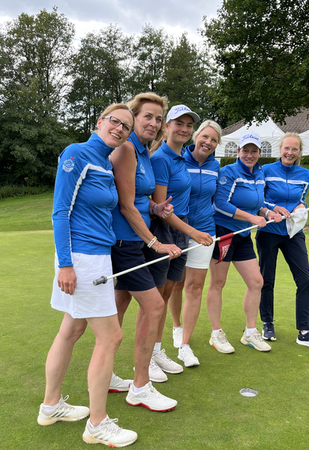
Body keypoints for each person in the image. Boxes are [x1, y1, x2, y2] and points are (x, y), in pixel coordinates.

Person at [37, 103, 137, 448]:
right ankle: (97, 424)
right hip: (81, 260)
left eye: (126, 126)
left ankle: (51, 406)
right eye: (115, 121)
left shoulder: (105, 164)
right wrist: (65, 264)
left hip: (96, 257)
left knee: (72, 328)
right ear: (99, 122)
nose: (120, 129)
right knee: (110, 338)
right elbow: (60, 211)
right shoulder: (77, 153)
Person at [109, 92, 180, 412]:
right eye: (147, 116)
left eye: (158, 118)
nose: (153, 123)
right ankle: (140, 386)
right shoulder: (125, 149)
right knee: (153, 307)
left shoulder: (145, 154)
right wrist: (156, 242)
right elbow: (125, 205)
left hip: (134, 241)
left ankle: (108, 375)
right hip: (125, 243)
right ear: (133, 117)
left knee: (119, 308)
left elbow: (137, 198)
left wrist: (156, 206)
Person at [145, 105, 214, 374]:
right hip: (167, 232)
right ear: (167, 126)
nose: (184, 129)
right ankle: (148, 356)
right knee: (156, 300)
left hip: (181, 231)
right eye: (178, 123)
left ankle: (157, 350)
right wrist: (192, 232)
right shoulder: (162, 158)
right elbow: (161, 207)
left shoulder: (181, 157)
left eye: (188, 125)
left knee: (166, 295)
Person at [206, 131, 283, 354]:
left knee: (256, 281)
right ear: (238, 152)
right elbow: (220, 204)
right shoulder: (229, 172)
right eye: (245, 151)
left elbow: (255, 203)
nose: (249, 155)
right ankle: (216, 334)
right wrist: (251, 218)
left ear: (259, 153)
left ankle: (250, 333)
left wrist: (267, 212)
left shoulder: (258, 174)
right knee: (218, 283)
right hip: (225, 233)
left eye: (254, 151)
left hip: (243, 235)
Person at [256, 132, 309, 350]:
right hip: (269, 231)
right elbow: (258, 197)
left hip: (293, 232)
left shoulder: (305, 174)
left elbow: (300, 198)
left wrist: (299, 205)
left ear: (299, 152)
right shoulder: (266, 170)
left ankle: (304, 332)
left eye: (294, 149)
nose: (290, 153)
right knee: (266, 280)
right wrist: (272, 207)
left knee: (305, 280)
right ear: (280, 149)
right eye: (286, 148)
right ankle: (267, 323)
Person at [166, 120, 222, 367]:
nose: (208, 143)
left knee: (195, 287)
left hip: (205, 231)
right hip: (177, 231)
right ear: (195, 136)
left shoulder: (216, 166)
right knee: (175, 284)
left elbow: (219, 200)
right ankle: (176, 326)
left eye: (214, 140)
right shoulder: (178, 160)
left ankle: (185, 345)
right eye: (205, 137)